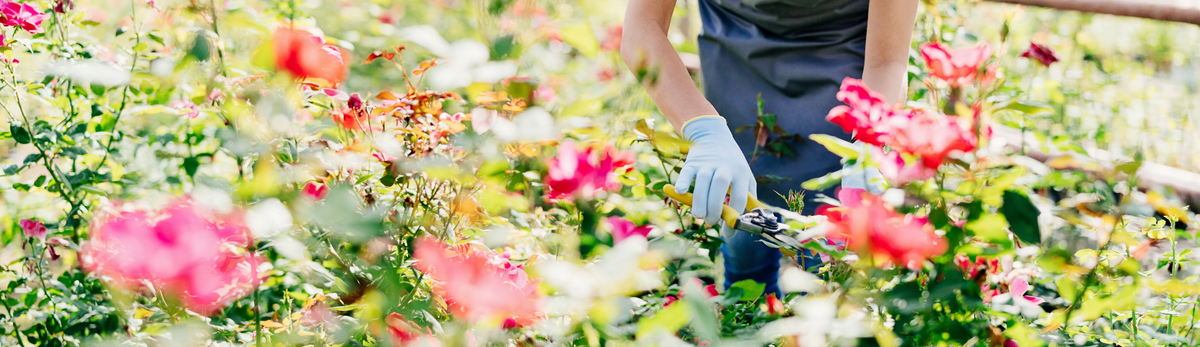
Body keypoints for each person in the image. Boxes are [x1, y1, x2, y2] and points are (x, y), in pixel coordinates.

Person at [620, 0, 918, 295]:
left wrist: (869, 140)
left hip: (843, 73)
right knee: (743, 239)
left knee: (830, 262)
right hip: (734, 63)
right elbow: (642, 28)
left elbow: (887, 60)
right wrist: (702, 127)